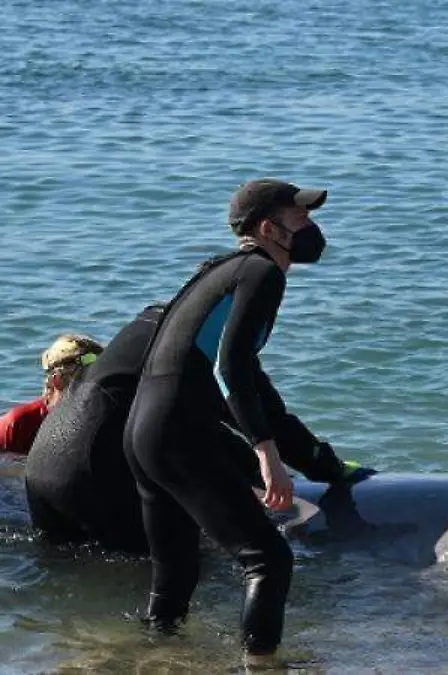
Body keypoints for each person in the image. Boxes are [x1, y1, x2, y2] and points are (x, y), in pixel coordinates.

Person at [122, 178, 335, 668]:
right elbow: (231, 368)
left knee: (175, 570)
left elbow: (230, 374)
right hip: (176, 431)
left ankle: (151, 659)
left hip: (143, 431)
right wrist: (268, 457)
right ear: (268, 228)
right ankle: (260, 667)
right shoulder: (262, 272)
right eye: (299, 217)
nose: (311, 227)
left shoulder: (218, 270)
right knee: (269, 561)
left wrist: (310, 454)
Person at [24, 303, 373, 553]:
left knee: (69, 569)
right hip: (90, 477)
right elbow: (263, 420)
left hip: (41, 473)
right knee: (189, 564)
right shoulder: (207, 346)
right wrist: (328, 467)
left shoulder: (148, 326)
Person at [0, 334, 104, 456]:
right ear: (57, 381)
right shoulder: (18, 425)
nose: (95, 387)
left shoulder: (103, 419)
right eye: (86, 380)